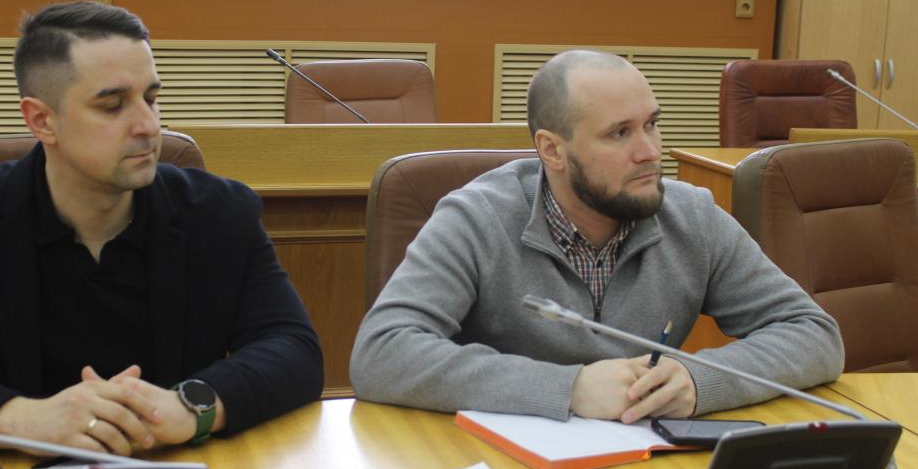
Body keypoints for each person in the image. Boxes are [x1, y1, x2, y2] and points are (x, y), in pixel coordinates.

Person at [0, 1, 323, 454]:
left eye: (151, 98)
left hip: (175, 468)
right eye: (113, 105)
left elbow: (294, 349)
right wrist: (26, 419)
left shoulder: (220, 212)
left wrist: (189, 407)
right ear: (41, 121)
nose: (148, 126)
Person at [351, 50, 842, 423]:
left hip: (642, 467)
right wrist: (569, 388)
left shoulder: (692, 217)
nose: (650, 152)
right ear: (552, 150)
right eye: (620, 133)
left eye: (652, 125)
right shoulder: (476, 217)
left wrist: (700, 379)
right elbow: (382, 353)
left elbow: (814, 334)